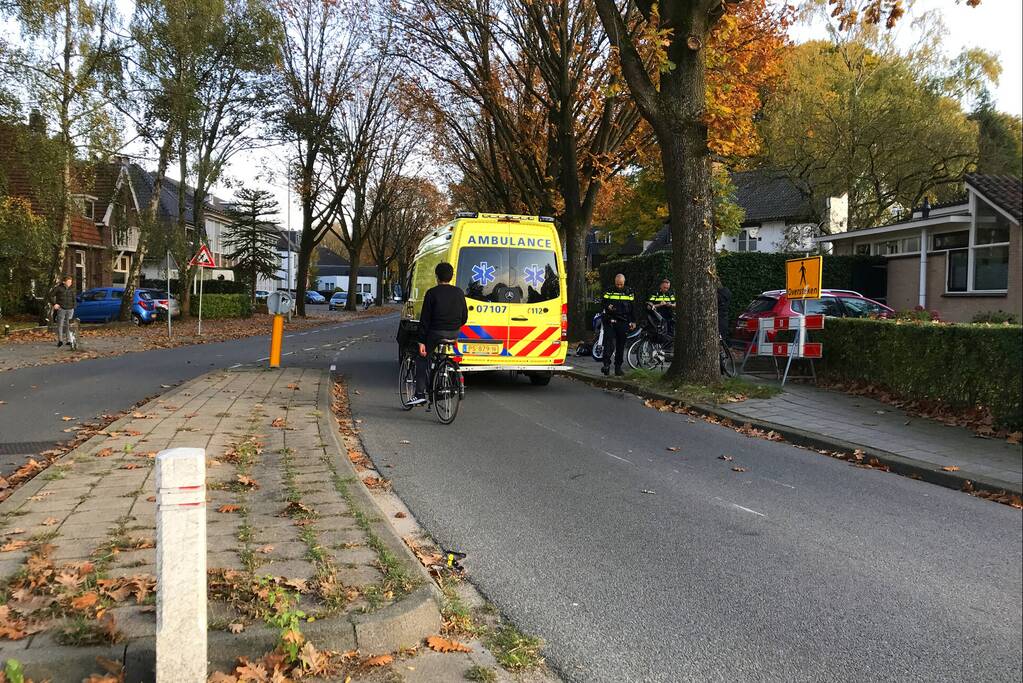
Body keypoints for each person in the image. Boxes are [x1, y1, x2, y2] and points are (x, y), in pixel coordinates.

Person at [410, 262, 468, 406]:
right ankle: (442, 371)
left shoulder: (432, 293)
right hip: (454, 333)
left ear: (436, 276)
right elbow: (464, 317)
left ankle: (419, 394)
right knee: (441, 354)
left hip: (436, 333)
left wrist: (421, 341)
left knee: (422, 358)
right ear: (451, 276)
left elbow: (425, 320)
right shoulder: (459, 292)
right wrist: (454, 326)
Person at [600, 273, 636, 376]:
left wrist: (633, 321)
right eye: (617, 284)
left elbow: (633, 307)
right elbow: (603, 303)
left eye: (621, 284)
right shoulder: (609, 290)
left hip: (623, 321)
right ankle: (606, 365)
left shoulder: (629, 291)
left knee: (621, 345)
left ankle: (618, 368)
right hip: (610, 320)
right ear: (615, 282)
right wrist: (608, 307)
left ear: (624, 282)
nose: (619, 286)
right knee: (609, 343)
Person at [50, 275, 77, 348]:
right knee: (60, 324)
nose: (70, 283)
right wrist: (54, 304)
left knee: (69, 325)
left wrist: (74, 306)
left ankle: (69, 340)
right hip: (61, 308)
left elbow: (74, 298)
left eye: (71, 282)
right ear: (64, 282)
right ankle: (60, 340)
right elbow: (50, 296)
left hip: (70, 309)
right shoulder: (58, 288)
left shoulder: (72, 289)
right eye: (68, 282)